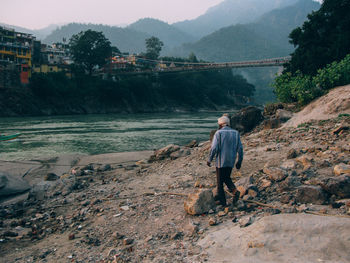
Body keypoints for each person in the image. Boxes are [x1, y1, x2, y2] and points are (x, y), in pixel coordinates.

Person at [207, 115, 243, 207]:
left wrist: (209, 159)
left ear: (220, 124)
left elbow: (214, 148)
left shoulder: (218, 133)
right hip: (231, 161)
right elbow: (240, 148)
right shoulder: (236, 133)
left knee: (220, 183)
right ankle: (234, 190)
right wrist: (239, 161)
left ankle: (223, 203)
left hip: (220, 161)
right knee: (226, 177)